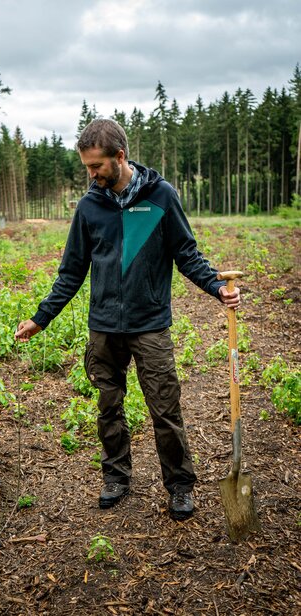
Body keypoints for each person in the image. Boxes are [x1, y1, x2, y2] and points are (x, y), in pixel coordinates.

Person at [15, 118, 240, 520]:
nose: (91, 175)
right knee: (108, 407)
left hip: (150, 325)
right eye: (86, 167)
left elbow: (187, 254)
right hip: (103, 328)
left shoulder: (161, 197)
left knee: (165, 410)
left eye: (97, 166)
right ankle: (116, 477)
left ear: (120, 156)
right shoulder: (89, 206)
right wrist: (40, 318)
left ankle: (180, 485)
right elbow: (71, 272)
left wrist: (216, 288)